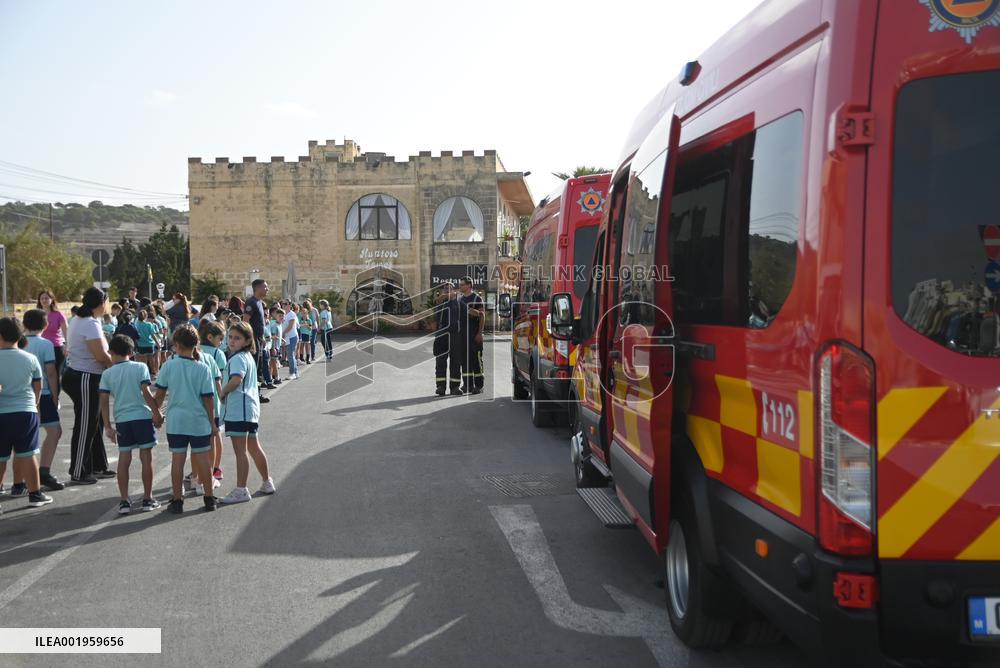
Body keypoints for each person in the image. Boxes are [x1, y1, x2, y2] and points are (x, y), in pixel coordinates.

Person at [153, 325, 219, 513]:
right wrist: (213, 423)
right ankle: (208, 498)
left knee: (178, 460)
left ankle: (177, 500)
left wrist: (155, 414)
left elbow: (159, 395)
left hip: (176, 421)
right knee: (203, 459)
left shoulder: (169, 365)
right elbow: (208, 399)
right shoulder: (203, 368)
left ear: (177, 344)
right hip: (198, 421)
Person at [99, 335, 164, 514]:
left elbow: (103, 402)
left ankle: (124, 501)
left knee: (124, 458)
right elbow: (146, 392)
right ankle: (147, 498)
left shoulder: (107, 374)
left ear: (111, 352)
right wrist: (157, 413)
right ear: (132, 352)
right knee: (146, 458)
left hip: (122, 420)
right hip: (142, 417)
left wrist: (108, 426)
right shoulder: (140, 367)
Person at [0, 317, 55, 511]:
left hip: (2, 412)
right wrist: (35, 403)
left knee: (1, 457)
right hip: (25, 411)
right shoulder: (30, 358)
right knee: (28, 454)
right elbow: (38, 386)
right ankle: (35, 494)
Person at [62, 287, 114, 484]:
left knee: (96, 422)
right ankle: (78, 470)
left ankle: (98, 465)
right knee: (86, 425)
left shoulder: (80, 320)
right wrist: (119, 368)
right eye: (105, 303)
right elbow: (100, 356)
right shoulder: (90, 323)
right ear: (101, 304)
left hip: (84, 375)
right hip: (84, 377)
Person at [218, 322, 275, 504]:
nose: (232, 341)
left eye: (237, 338)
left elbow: (236, 380)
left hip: (239, 410)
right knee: (253, 447)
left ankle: (241, 489)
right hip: (249, 409)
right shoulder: (247, 356)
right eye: (231, 337)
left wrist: (223, 391)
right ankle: (267, 482)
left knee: (241, 451)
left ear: (246, 341)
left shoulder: (237, 359)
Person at [22, 309, 66, 491]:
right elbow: (51, 372)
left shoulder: (19, 343)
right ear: (46, 325)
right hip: (44, 393)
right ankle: (43, 471)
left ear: (24, 325)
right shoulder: (46, 344)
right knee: (54, 432)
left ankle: (23, 477)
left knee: (24, 437)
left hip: (23, 394)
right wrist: (56, 396)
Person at [198, 319, 228, 482]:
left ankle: (200, 470)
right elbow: (221, 379)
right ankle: (215, 467)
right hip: (214, 401)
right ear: (210, 337)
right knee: (215, 436)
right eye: (220, 339)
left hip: (198, 401)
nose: (222, 342)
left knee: (199, 439)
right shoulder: (218, 354)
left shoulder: (194, 350)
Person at [433, 283, 466, 396]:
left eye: (450, 288)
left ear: (454, 289)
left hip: (455, 335)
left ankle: (455, 387)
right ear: (443, 290)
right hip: (442, 334)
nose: (448, 290)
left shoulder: (459, 301)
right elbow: (438, 300)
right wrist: (448, 295)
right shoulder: (440, 300)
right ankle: (441, 387)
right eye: (446, 288)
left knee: (456, 362)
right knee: (441, 362)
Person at [242, 279, 275, 395]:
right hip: (253, 341)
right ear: (257, 288)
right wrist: (250, 340)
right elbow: (245, 321)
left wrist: (262, 340)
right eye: (265, 287)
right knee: (254, 367)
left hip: (259, 340)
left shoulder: (259, 302)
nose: (267, 289)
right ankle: (253, 393)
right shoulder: (251, 302)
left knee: (259, 367)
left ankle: (257, 393)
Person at [459, 277, 486, 394]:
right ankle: (467, 385)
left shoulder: (477, 298)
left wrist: (480, 333)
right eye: (460, 285)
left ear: (469, 285)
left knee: (476, 361)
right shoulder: (460, 300)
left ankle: (479, 386)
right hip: (463, 337)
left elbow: (482, 316)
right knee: (465, 362)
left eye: (462, 285)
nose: (460, 286)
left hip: (475, 335)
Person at [37, 290, 68, 374]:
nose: (44, 300)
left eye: (46, 298)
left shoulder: (59, 314)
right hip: (40, 347)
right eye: (42, 298)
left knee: (55, 374)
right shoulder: (36, 315)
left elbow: (66, 332)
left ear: (52, 299)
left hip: (56, 348)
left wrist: (67, 346)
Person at [135, 309, 158, 375]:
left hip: (141, 345)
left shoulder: (136, 325)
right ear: (146, 316)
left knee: (144, 361)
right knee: (151, 360)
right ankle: (153, 373)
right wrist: (158, 343)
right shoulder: (149, 324)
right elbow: (153, 335)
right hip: (150, 344)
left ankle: (145, 373)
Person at [282, 301, 300, 380]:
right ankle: (295, 373)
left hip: (292, 337)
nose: (283, 305)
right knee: (290, 355)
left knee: (290, 355)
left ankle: (292, 373)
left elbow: (291, 326)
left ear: (289, 305)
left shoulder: (292, 314)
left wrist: (283, 333)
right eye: (283, 303)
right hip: (287, 337)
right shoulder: (284, 314)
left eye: (285, 304)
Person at [268, 307, 284, 383]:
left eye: (282, 316)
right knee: (274, 362)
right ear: (275, 316)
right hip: (273, 346)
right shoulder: (274, 325)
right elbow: (273, 336)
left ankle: (270, 377)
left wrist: (281, 339)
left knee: (272, 362)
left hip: (276, 346)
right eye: (279, 316)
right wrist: (273, 348)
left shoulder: (279, 324)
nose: (281, 317)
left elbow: (278, 336)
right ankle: (277, 378)